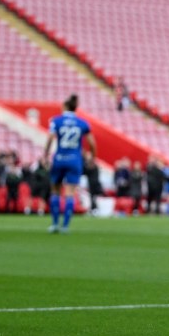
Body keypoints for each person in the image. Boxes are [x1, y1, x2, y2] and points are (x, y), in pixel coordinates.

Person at [44, 93, 96, 233]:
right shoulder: (82, 123)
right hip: (75, 160)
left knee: (55, 190)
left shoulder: (56, 121)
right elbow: (92, 143)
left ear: (65, 106)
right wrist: (92, 157)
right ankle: (65, 226)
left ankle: (55, 224)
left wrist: (45, 155)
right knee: (70, 192)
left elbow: (49, 139)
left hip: (59, 158)